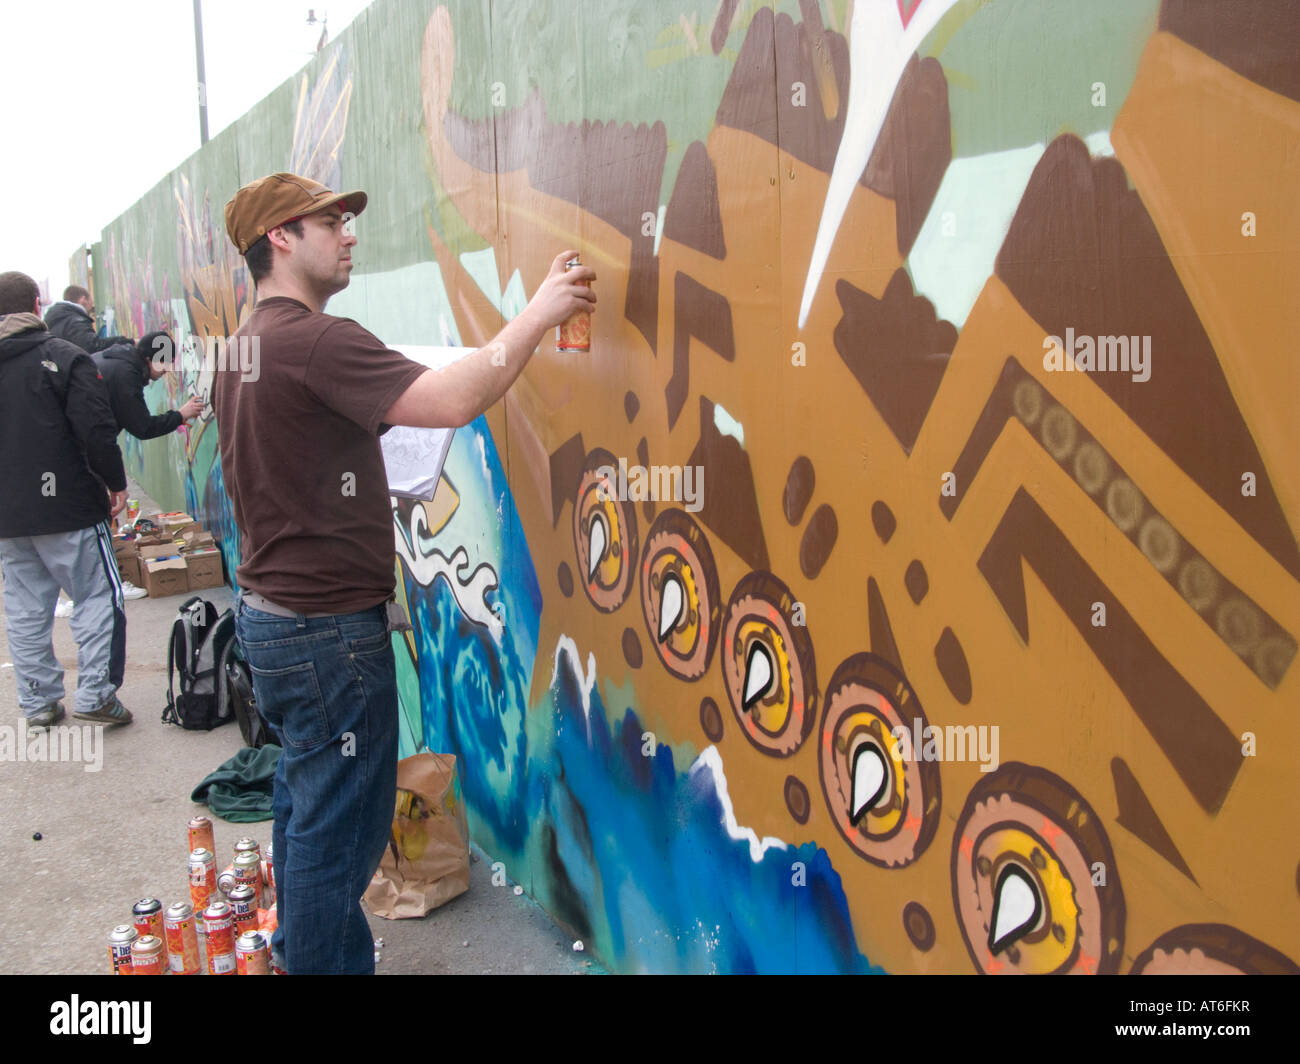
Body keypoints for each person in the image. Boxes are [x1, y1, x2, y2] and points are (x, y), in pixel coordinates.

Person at [214, 171, 595, 974]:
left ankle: (303, 956)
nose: (349, 233)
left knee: (306, 807)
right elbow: (454, 400)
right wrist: (540, 312)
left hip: (274, 620)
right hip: (325, 639)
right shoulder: (318, 339)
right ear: (279, 238)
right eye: (329, 221)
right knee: (339, 837)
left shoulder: (245, 345)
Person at [0, 271, 134, 729]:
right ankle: (96, 693)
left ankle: (38, 701)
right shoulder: (64, 357)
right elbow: (96, 430)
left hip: (9, 517)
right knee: (97, 596)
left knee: (23, 609)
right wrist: (115, 482)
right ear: (37, 306)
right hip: (70, 506)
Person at [90, 331, 205, 600]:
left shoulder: (116, 362)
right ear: (151, 358)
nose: (167, 371)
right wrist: (180, 414)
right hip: (84, 452)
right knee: (95, 517)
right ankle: (109, 585)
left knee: (92, 519)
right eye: (165, 363)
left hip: (77, 450)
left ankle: (105, 582)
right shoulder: (125, 373)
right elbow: (141, 427)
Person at [44, 284, 131, 353]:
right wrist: (127, 341)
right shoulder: (76, 322)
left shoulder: (55, 319)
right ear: (83, 299)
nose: (92, 307)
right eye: (91, 302)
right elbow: (93, 346)